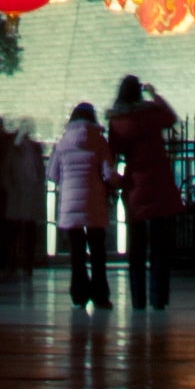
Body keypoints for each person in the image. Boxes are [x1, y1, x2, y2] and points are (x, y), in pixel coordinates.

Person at [110, 76, 182, 309]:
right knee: (160, 246)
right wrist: (155, 94)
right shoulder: (151, 113)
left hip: (135, 186)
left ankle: (138, 298)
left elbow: (113, 152)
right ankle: (159, 297)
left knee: (137, 246)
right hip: (159, 183)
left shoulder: (117, 120)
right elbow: (171, 118)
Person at [55, 100, 116, 309]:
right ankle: (100, 295)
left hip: (70, 205)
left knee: (77, 253)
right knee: (98, 252)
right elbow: (109, 173)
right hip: (94, 203)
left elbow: (52, 174)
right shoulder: (99, 141)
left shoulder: (63, 142)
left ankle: (79, 295)